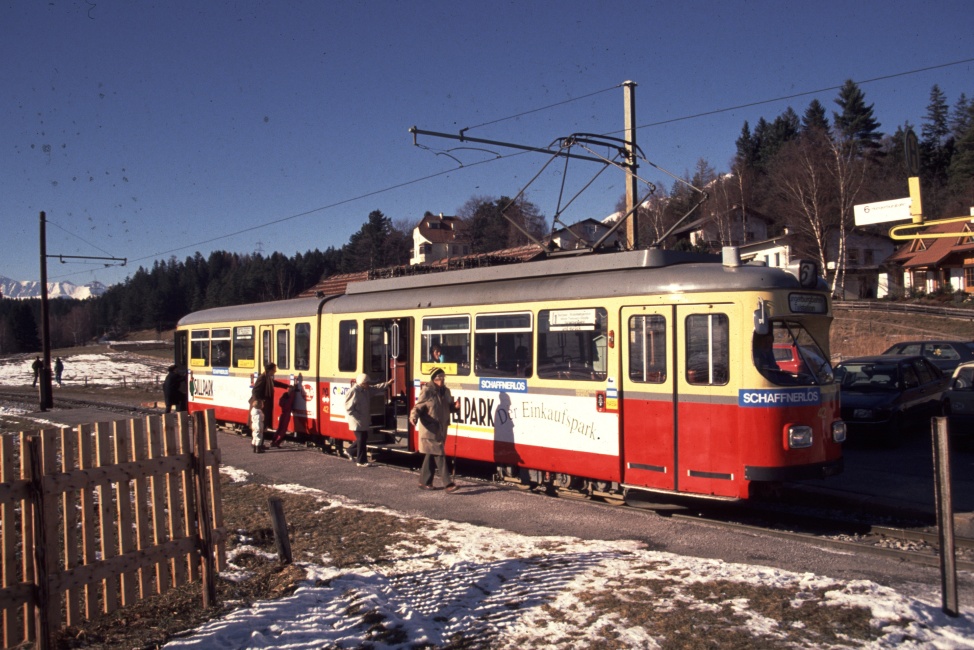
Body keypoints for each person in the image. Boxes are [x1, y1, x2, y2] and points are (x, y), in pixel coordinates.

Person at [410, 368, 460, 491]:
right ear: (434, 379)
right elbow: (418, 407)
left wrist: (455, 407)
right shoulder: (427, 391)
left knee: (431, 455)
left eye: (443, 377)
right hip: (429, 429)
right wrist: (413, 417)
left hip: (441, 429)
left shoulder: (446, 392)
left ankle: (424, 482)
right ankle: (448, 484)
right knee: (439, 453)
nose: (442, 380)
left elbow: (448, 408)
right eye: (439, 377)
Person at [344, 373, 393, 465]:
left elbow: (376, 388)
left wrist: (387, 384)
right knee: (361, 439)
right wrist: (358, 417)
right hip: (357, 420)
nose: (368, 385)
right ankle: (361, 461)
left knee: (363, 438)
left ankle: (350, 451)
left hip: (362, 419)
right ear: (361, 383)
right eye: (366, 383)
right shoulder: (353, 391)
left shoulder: (365, 390)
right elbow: (348, 408)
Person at [270, 377, 305, 448]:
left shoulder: (284, 397)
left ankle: (274, 441)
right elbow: (289, 402)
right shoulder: (289, 397)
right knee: (283, 429)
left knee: (280, 428)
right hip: (286, 415)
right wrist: (293, 393)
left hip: (283, 414)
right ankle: (277, 442)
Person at [251, 362, 283, 437]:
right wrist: (258, 402)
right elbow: (255, 391)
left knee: (263, 424)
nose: (275, 371)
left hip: (264, 404)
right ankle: (258, 446)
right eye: (274, 370)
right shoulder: (262, 378)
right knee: (261, 424)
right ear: (269, 370)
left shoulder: (267, 378)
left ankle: (259, 445)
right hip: (261, 404)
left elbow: (275, 383)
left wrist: (287, 386)